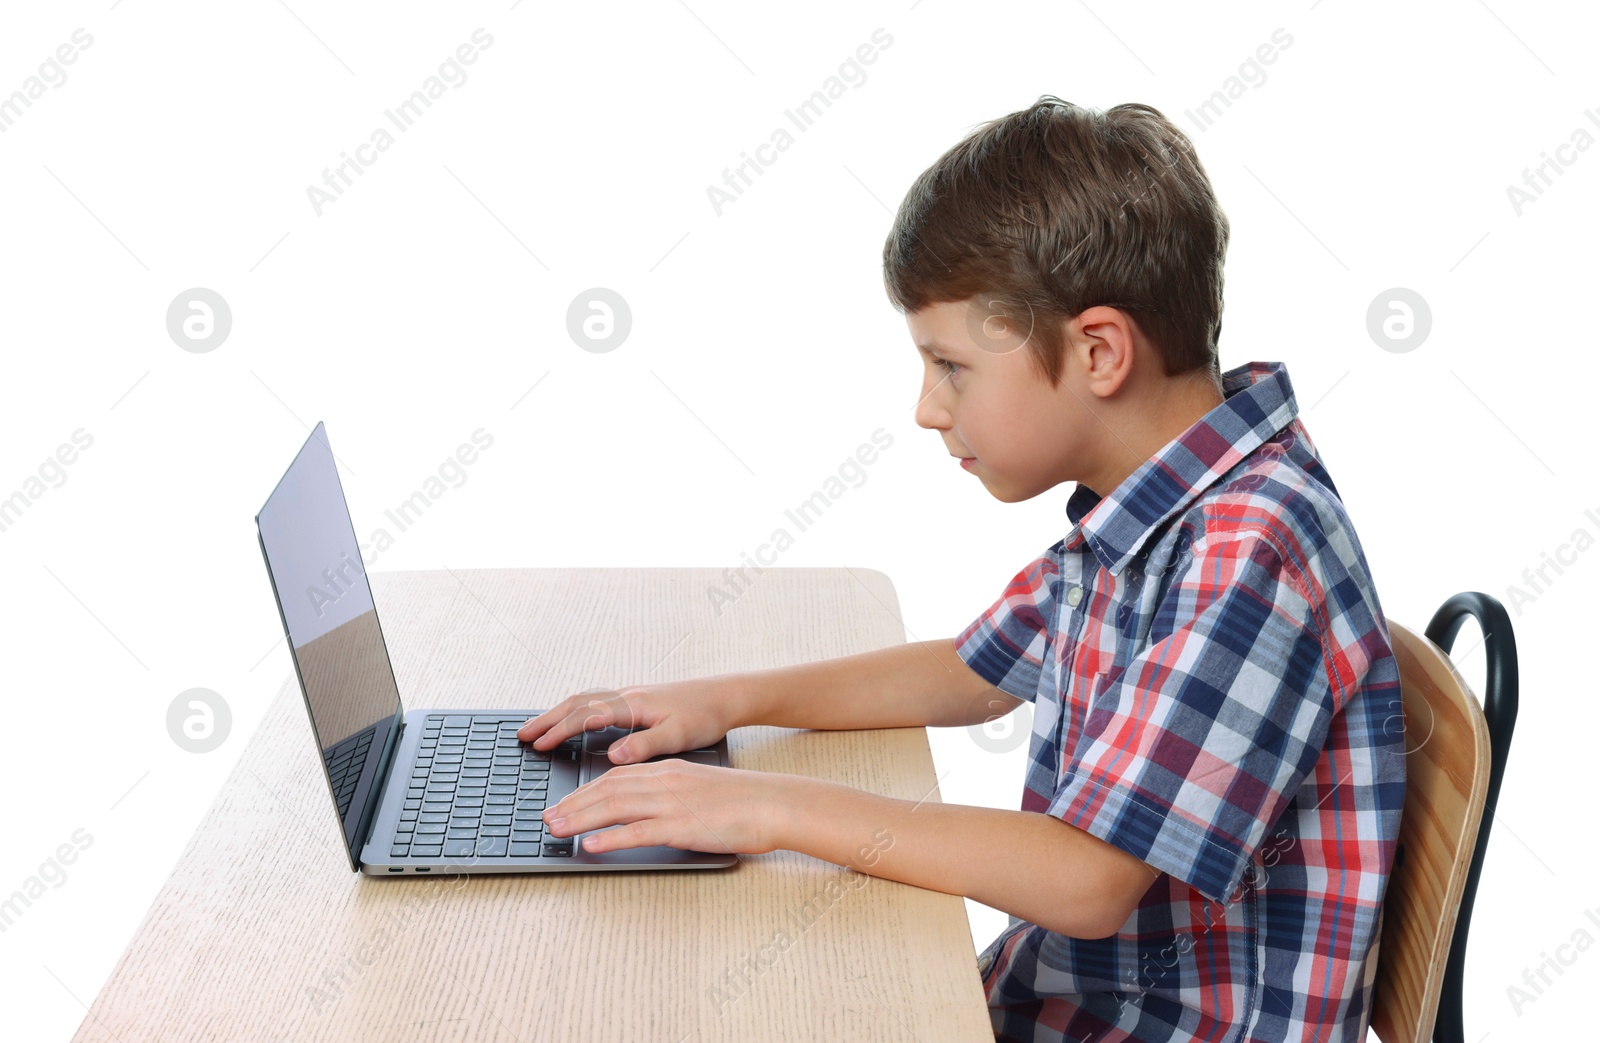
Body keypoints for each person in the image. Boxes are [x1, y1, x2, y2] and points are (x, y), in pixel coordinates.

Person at [521, 96, 1406, 1043]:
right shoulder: (1159, 502)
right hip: (1055, 1003)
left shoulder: (1247, 550)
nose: (927, 408)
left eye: (951, 366)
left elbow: (1087, 879)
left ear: (1099, 350)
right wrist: (724, 701)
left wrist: (770, 804)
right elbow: (976, 672)